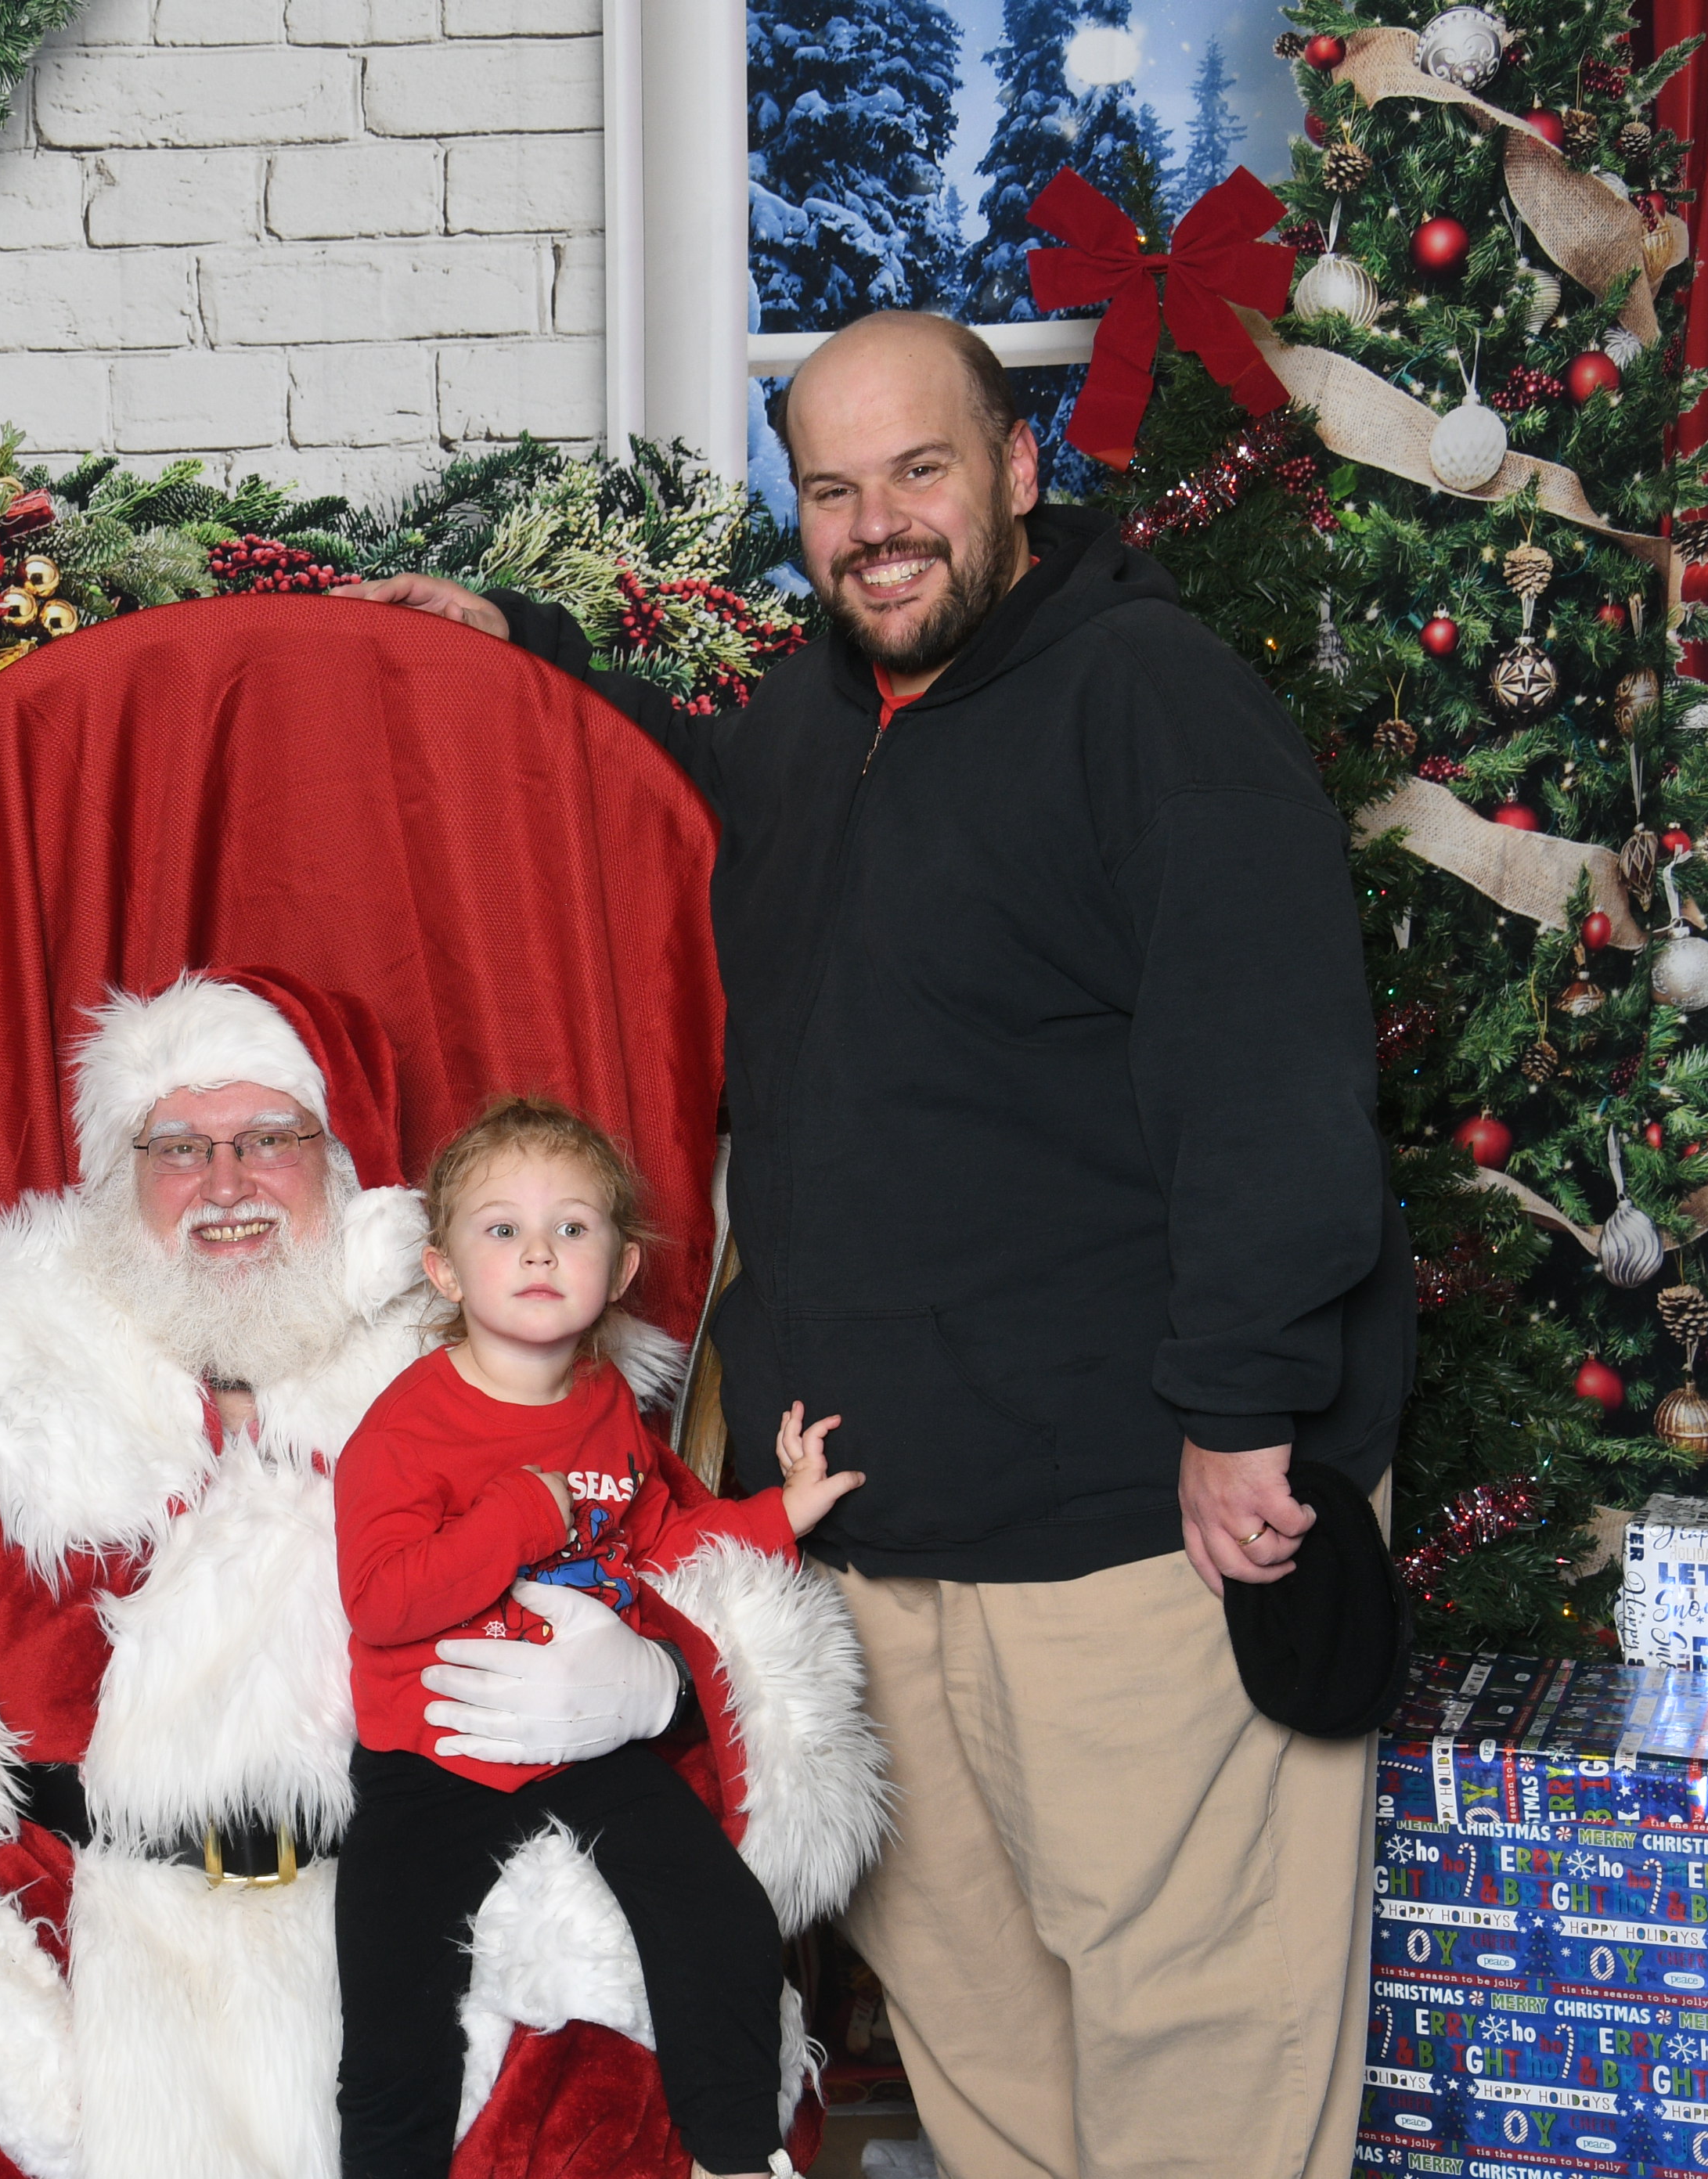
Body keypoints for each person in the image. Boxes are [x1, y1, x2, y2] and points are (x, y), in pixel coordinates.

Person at [343, 309, 1413, 2178]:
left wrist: (1247, 1410)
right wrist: (527, 652)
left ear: (1017, 466)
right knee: (983, 2053)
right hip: (879, 1530)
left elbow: (1274, 1071)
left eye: (919, 472)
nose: (875, 526)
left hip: (1136, 1526)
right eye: (831, 491)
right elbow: (681, 785)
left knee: (1197, 2042)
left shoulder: (1147, 701)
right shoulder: (815, 717)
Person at [0, 971, 888, 2179]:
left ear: (339, 1162)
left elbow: (686, 1559)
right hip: (70, 1916)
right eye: (178, 1147)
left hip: (414, 1880)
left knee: (622, 1977)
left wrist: (658, 1679)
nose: (224, 1183)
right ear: (121, 1177)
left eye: (268, 1139)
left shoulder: (477, 1357)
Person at [334, 1096, 865, 2179]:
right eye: (503, 1229)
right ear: (445, 1272)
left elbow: (660, 1539)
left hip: (586, 1742)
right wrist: (519, 1516)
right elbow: (380, 1602)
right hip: (433, 1754)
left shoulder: (604, 1399)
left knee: (721, 1914)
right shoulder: (403, 1429)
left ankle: (737, 2156)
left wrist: (782, 1513)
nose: (539, 1251)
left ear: (619, 1270)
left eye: (571, 1227)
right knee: (394, 2009)